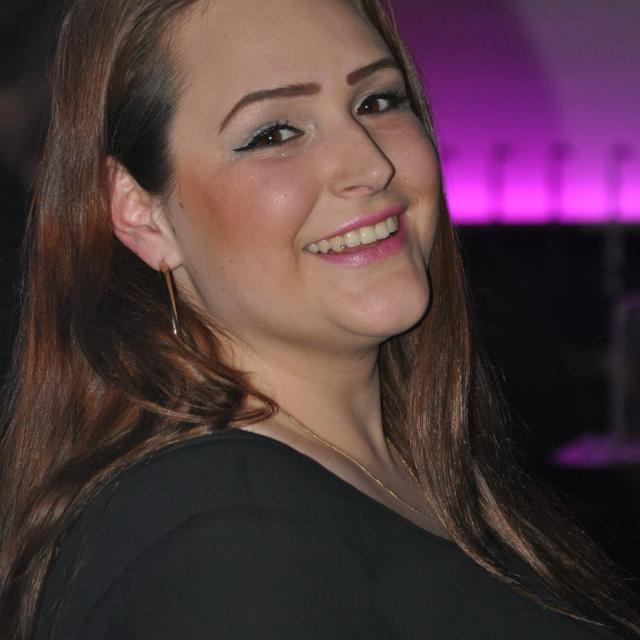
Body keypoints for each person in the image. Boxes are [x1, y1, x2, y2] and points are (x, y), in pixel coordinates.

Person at [0, 0, 638, 638]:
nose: (371, 165)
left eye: (378, 101)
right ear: (140, 213)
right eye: (275, 134)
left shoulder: (414, 478)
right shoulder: (230, 540)